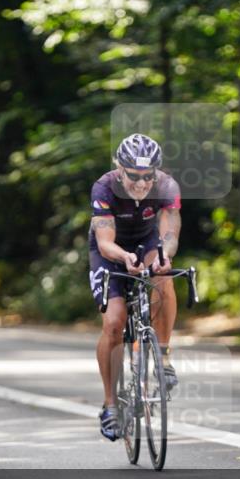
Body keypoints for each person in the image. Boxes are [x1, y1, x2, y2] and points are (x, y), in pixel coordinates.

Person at [88, 133, 182, 441]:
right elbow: (104, 242)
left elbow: (169, 233)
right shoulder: (104, 187)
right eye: (133, 176)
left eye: (147, 176)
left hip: (147, 242)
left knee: (162, 276)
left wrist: (164, 254)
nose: (141, 184)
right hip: (111, 250)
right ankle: (110, 404)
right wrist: (124, 257)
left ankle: (164, 358)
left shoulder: (166, 186)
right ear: (119, 168)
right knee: (114, 322)